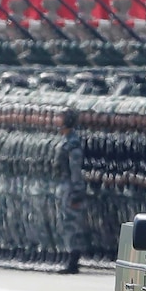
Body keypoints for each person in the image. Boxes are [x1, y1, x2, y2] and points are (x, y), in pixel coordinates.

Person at [55, 113, 87, 274]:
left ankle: (73, 260)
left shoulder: (73, 143)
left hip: (71, 187)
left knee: (71, 225)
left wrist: (77, 192)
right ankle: (69, 257)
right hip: (64, 186)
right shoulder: (66, 140)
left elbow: (76, 170)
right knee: (65, 223)